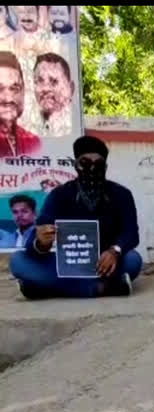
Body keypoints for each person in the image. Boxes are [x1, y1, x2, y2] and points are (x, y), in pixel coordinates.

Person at [10, 135, 142, 299]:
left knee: (133, 260)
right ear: (76, 166)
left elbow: (131, 234)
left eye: (98, 165)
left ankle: (47, 289)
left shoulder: (121, 194)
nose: (92, 169)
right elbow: (34, 240)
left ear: (105, 167)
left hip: (104, 262)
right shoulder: (59, 195)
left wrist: (114, 251)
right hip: (68, 264)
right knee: (18, 261)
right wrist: (41, 242)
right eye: (85, 163)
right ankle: (101, 288)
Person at [0, 51, 41, 157]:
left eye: (14, 89)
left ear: (23, 92)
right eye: (0, 89)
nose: (8, 98)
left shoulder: (33, 142)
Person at [33, 53, 74, 137]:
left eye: (54, 81)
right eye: (40, 81)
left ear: (70, 88)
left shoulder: (73, 127)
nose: (45, 89)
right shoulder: (29, 128)